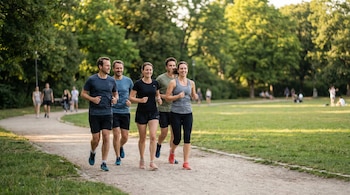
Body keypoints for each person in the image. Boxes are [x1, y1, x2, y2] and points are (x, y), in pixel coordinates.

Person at [81, 57, 119, 172]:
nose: (109, 67)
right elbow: (83, 94)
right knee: (96, 139)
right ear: (100, 67)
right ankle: (92, 152)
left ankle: (104, 162)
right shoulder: (92, 80)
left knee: (106, 137)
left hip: (108, 112)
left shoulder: (112, 80)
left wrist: (115, 99)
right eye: (107, 65)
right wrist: (92, 99)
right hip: (94, 113)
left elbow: (116, 94)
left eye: (109, 65)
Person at [165, 61, 198, 170]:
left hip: (188, 113)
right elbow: (167, 97)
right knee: (177, 138)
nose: (183, 70)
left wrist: (195, 96)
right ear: (178, 70)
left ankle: (186, 162)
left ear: (187, 70)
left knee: (187, 137)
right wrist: (177, 96)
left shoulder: (191, 83)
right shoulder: (173, 83)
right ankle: (172, 152)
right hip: (175, 113)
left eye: (185, 68)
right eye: (181, 69)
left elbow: (193, 95)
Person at [129, 62, 162, 171]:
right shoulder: (138, 84)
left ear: (152, 71)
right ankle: (142, 159)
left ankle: (152, 162)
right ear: (143, 71)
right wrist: (140, 100)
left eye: (150, 70)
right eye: (146, 70)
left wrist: (159, 99)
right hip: (141, 113)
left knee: (153, 136)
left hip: (153, 112)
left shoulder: (155, 83)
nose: (148, 72)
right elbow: (131, 97)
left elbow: (157, 94)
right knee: (142, 138)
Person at [155, 57, 178, 163]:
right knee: (164, 133)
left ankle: (172, 155)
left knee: (174, 134)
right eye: (170, 65)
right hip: (163, 109)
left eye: (174, 65)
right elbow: (156, 92)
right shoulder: (161, 78)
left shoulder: (178, 77)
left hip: (175, 110)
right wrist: (164, 97)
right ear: (166, 67)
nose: (172, 67)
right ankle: (158, 144)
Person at [112, 60, 133, 166]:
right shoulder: (109, 80)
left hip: (125, 111)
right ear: (113, 69)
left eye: (120, 68)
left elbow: (133, 95)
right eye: (117, 68)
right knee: (116, 134)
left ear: (123, 69)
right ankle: (117, 156)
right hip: (113, 111)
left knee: (125, 136)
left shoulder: (128, 81)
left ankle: (120, 146)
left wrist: (130, 101)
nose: (119, 70)